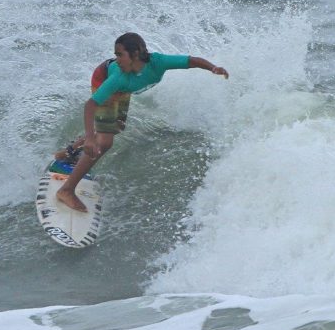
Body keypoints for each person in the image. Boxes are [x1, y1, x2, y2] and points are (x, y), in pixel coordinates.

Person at [56, 32, 229, 212]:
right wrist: (91, 138)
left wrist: (213, 68)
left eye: (120, 55)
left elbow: (191, 61)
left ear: (136, 53)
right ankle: (66, 190)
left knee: (116, 127)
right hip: (103, 80)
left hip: (123, 90)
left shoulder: (158, 62)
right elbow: (91, 105)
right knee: (104, 142)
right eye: (115, 55)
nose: (117, 59)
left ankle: (69, 152)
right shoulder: (118, 76)